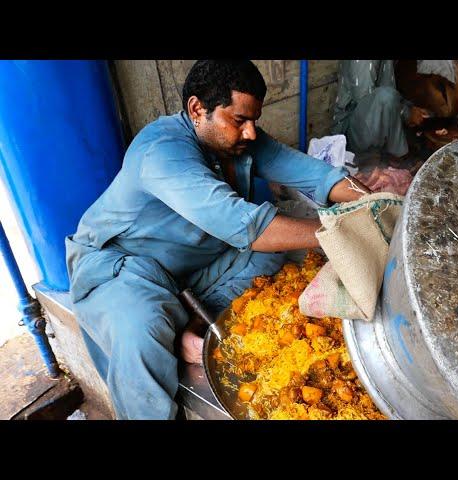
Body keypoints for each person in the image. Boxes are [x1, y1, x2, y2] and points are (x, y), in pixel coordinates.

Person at [65, 60, 370, 420]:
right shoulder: (161, 151)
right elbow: (247, 227)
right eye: (240, 120)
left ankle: (191, 330)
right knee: (141, 330)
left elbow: (314, 175)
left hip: (189, 268)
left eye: (254, 120)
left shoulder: (235, 142)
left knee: (269, 259)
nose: (251, 133)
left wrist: (376, 206)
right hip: (122, 270)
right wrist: (340, 233)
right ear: (198, 110)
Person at [331, 60, 431, 163]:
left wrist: (410, 108)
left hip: (368, 126)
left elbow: (390, 93)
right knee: (386, 95)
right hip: (350, 136)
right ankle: (398, 159)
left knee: (389, 96)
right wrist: (408, 113)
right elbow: (368, 101)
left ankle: (395, 154)